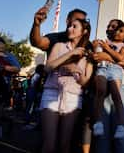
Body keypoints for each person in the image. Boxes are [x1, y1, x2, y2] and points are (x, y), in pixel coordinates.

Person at [41, 18, 93, 153]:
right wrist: (70, 55)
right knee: (49, 145)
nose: (70, 28)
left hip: (73, 98)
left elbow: (86, 83)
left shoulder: (88, 54)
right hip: (51, 93)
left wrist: (78, 73)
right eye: (69, 26)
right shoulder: (59, 46)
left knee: (65, 146)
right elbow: (48, 68)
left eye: (74, 26)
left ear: (84, 31)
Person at [93, 20, 124, 153]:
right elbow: (95, 57)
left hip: (123, 89)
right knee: (102, 136)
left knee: (120, 137)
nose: (111, 29)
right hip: (105, 90)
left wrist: (106, 56)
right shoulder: (104, 43)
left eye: (115, 27)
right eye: (108, 26)